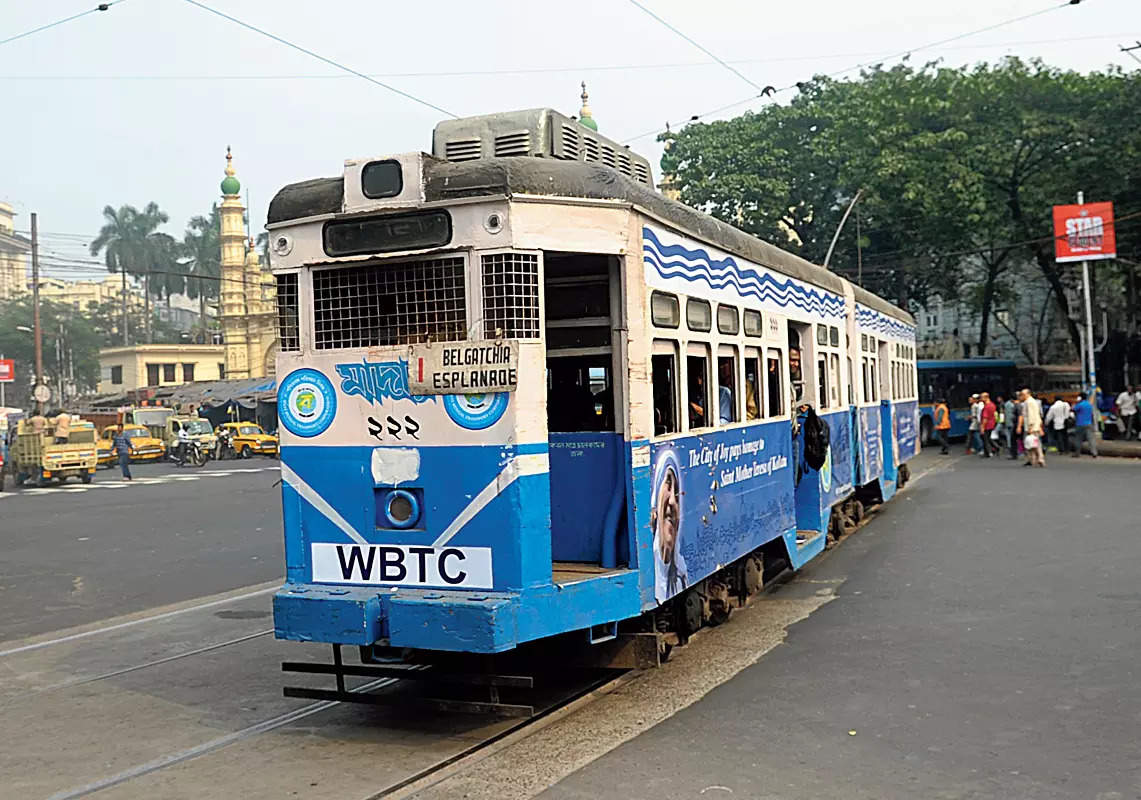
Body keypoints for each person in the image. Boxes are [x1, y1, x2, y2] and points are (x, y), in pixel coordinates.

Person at [1016, 388, 1045, 467]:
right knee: (1034, 443)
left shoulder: (1029, 402)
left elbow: (1031, 415)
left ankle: (1036, 459)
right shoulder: (1031, 402)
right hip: (1034, 426)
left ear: (1027, 394)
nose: (1021, 396)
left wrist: (1030, 427)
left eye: (1022, 394)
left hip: (1031, 426)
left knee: (1032, 443)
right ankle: (1034, 459)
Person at [1072, 392, 1098, 458]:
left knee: (1078, 439)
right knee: (1091, 439)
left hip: (1080, 424)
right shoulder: (1089, 404)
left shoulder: (1080, 405)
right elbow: (1091, 414)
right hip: (1089, 423)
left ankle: (1077, 453)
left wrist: (1075, 403)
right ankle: (1094, 452)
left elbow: (1073, 409)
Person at [979, 392, 997, 457]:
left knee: (985, 439)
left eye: (981, 397)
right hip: (992, 424)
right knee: (987, 438)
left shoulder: (987, 406)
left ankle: (987, 453)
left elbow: (985, 418)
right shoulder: (992, 405)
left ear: (986, 397)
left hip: (987, 425)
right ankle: (996, 447)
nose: (980, 399)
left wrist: (982, 427)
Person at [1004, 394, 1019, 459]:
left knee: (1010, 437)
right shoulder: (1017, 405)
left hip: (1009, 422)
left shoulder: (1007, 404)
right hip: (1015, 423)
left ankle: (1012, 451)